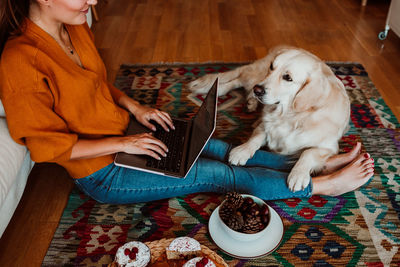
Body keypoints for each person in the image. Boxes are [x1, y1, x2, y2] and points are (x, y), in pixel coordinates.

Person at [0, 0, 374, 204]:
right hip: (103, 171)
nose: (92, 2)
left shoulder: (74, 27)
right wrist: (124, 143)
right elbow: (42, 147)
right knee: (219, 174)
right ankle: (322, 186)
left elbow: (94, 85)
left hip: (128, 134)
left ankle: (314, 162)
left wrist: (134, 108)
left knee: (215, 145)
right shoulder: (21, 59)